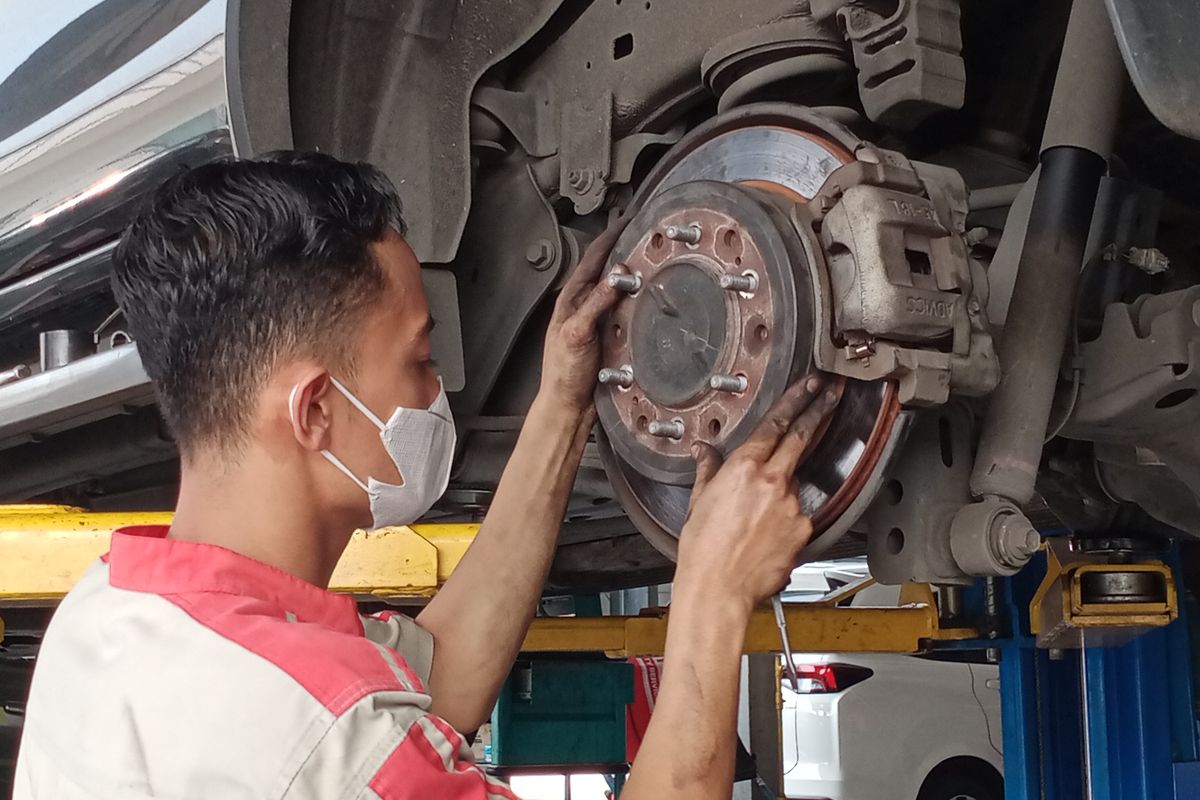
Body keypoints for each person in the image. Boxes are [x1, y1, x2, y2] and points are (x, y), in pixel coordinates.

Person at [14, 152, 836, 800]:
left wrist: (560, 406)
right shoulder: (324, 747)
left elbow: (435, 674)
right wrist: (713, 594)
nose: (434, 392)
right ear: (313, 413)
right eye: (420, 361)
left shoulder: (111, 614)